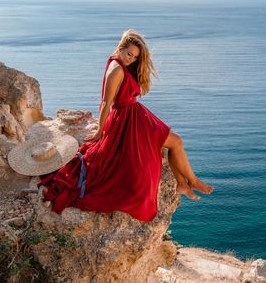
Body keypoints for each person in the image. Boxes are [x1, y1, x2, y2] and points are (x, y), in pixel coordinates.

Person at [38, 29, 213, 222]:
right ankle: (192, 181)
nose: (131, 59)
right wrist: (99, 131)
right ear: (120, 48)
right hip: (128, 120)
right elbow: (106, 103)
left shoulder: (120, 65)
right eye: (129, 54)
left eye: (135, 57)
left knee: (175, 142)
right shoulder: (116, 69)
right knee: (175, 142)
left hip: (137, 115)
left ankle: (183, 183)